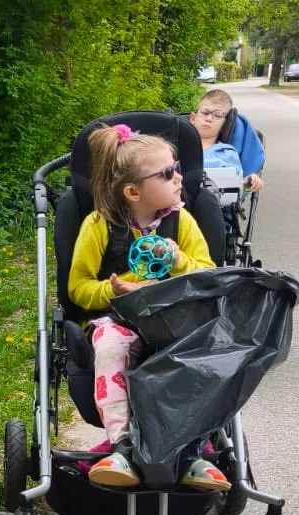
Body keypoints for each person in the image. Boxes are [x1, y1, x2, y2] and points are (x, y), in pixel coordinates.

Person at [68, 123, 229, 492]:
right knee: (109, 343)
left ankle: (192, 452)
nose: (179, 178)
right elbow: (78, 288)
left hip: (175, 320)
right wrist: (118, 292)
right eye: (168, 173)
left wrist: (178, 263)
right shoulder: (99, 227)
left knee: (198, 353)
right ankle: (122, 448)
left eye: (177, 167)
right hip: (119, 318)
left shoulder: (181, 221)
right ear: (133, 190)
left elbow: (208, 274)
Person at [189, 89, 265, 192]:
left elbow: (239, 190)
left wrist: (250, 183)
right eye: (205, 112)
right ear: (193, 118)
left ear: (224, 126)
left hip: (211, 203)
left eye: (217, 115)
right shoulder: (176, 145)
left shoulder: (228, 154)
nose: (209, 118)